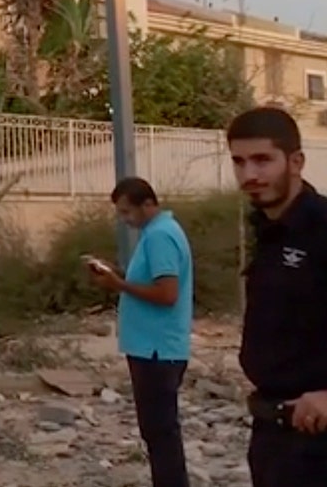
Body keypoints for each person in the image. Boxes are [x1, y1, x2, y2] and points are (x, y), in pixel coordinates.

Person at [226, 106, 327, 485]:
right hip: (273, 437)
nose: (249, 175)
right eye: (239, 162)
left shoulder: (321, 228)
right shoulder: (267, 231)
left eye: (262, 160)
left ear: (296, 161)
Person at [87, 176, 193, 487]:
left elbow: (166, 293)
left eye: (126, 212)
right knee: (158, 432)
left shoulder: (160, 236)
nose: (125, 220)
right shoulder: (156, 234)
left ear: (148, 204)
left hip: (157, 350)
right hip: (151, 348)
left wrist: (118, 285)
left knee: (161, 433)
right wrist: (116, 275)